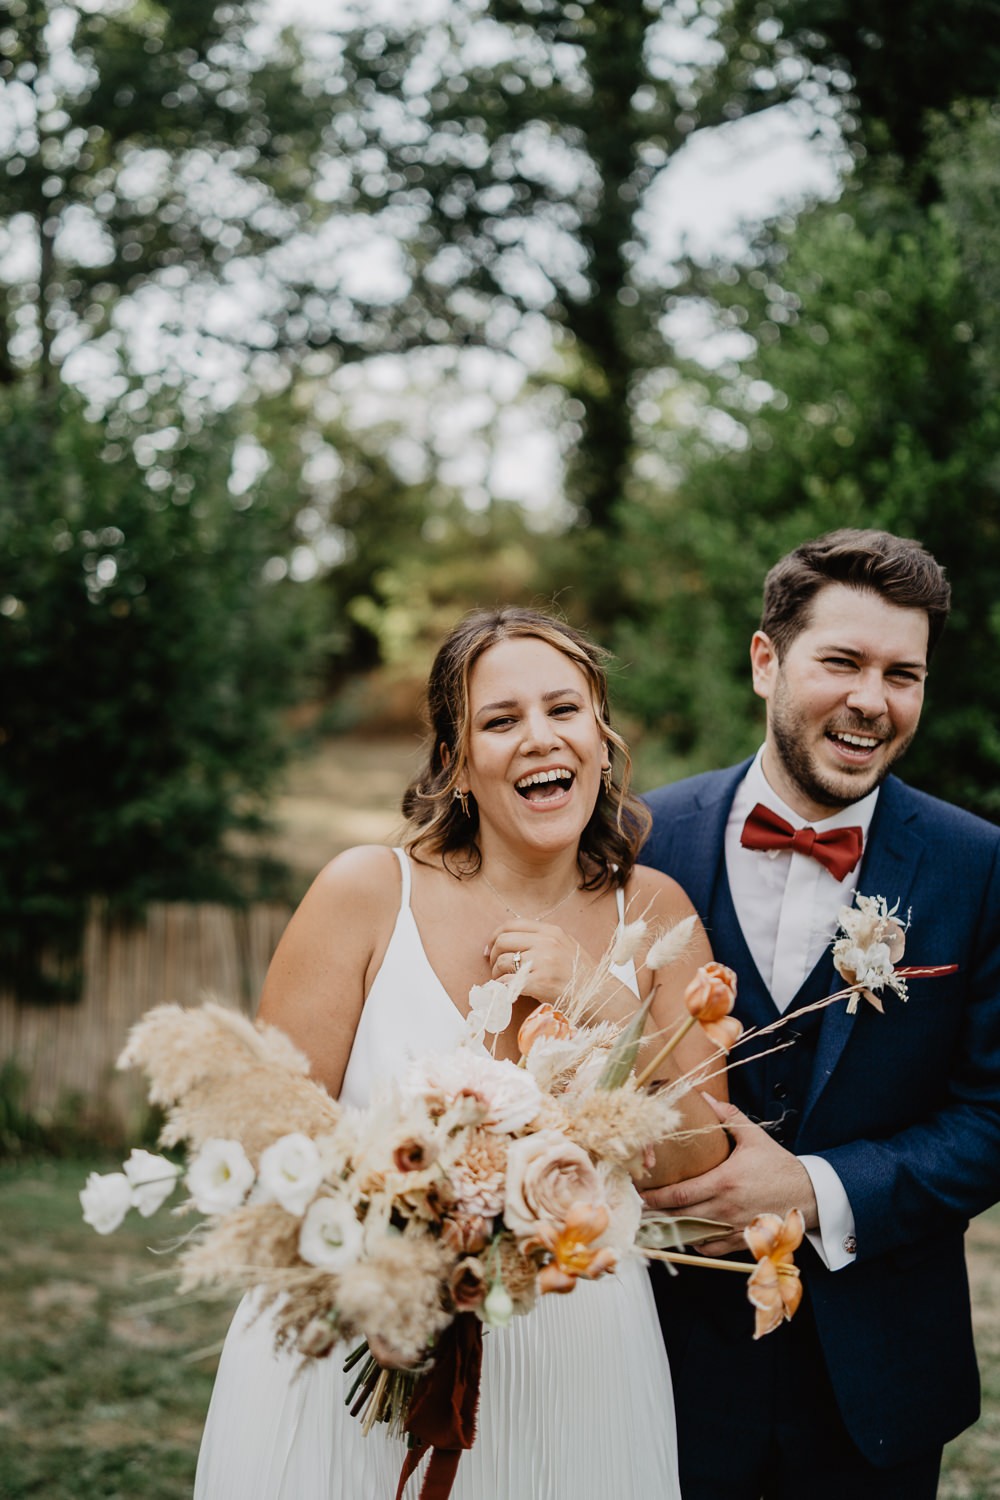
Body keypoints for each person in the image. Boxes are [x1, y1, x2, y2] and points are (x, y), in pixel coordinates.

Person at [194, 606, 728, 1500]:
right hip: (364, 1348)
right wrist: (409, 1222)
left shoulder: (658, 913)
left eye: (564, 709)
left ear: (601, 739)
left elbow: (700, 1161)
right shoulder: (366, 893)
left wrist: (595, 999)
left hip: (578, 1363)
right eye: (500, 719)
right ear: (455, 762)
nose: (539, 738)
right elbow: (261, 1150)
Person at [642, 528, 1000, 1499]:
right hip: (653, 1370)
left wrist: (813, 1190)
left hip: (873, 1388)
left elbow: (993, 1116)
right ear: (766, 661)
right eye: (841, 661)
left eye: (903, 674)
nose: (872, 701)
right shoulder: (638, 837)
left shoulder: (978, 866)